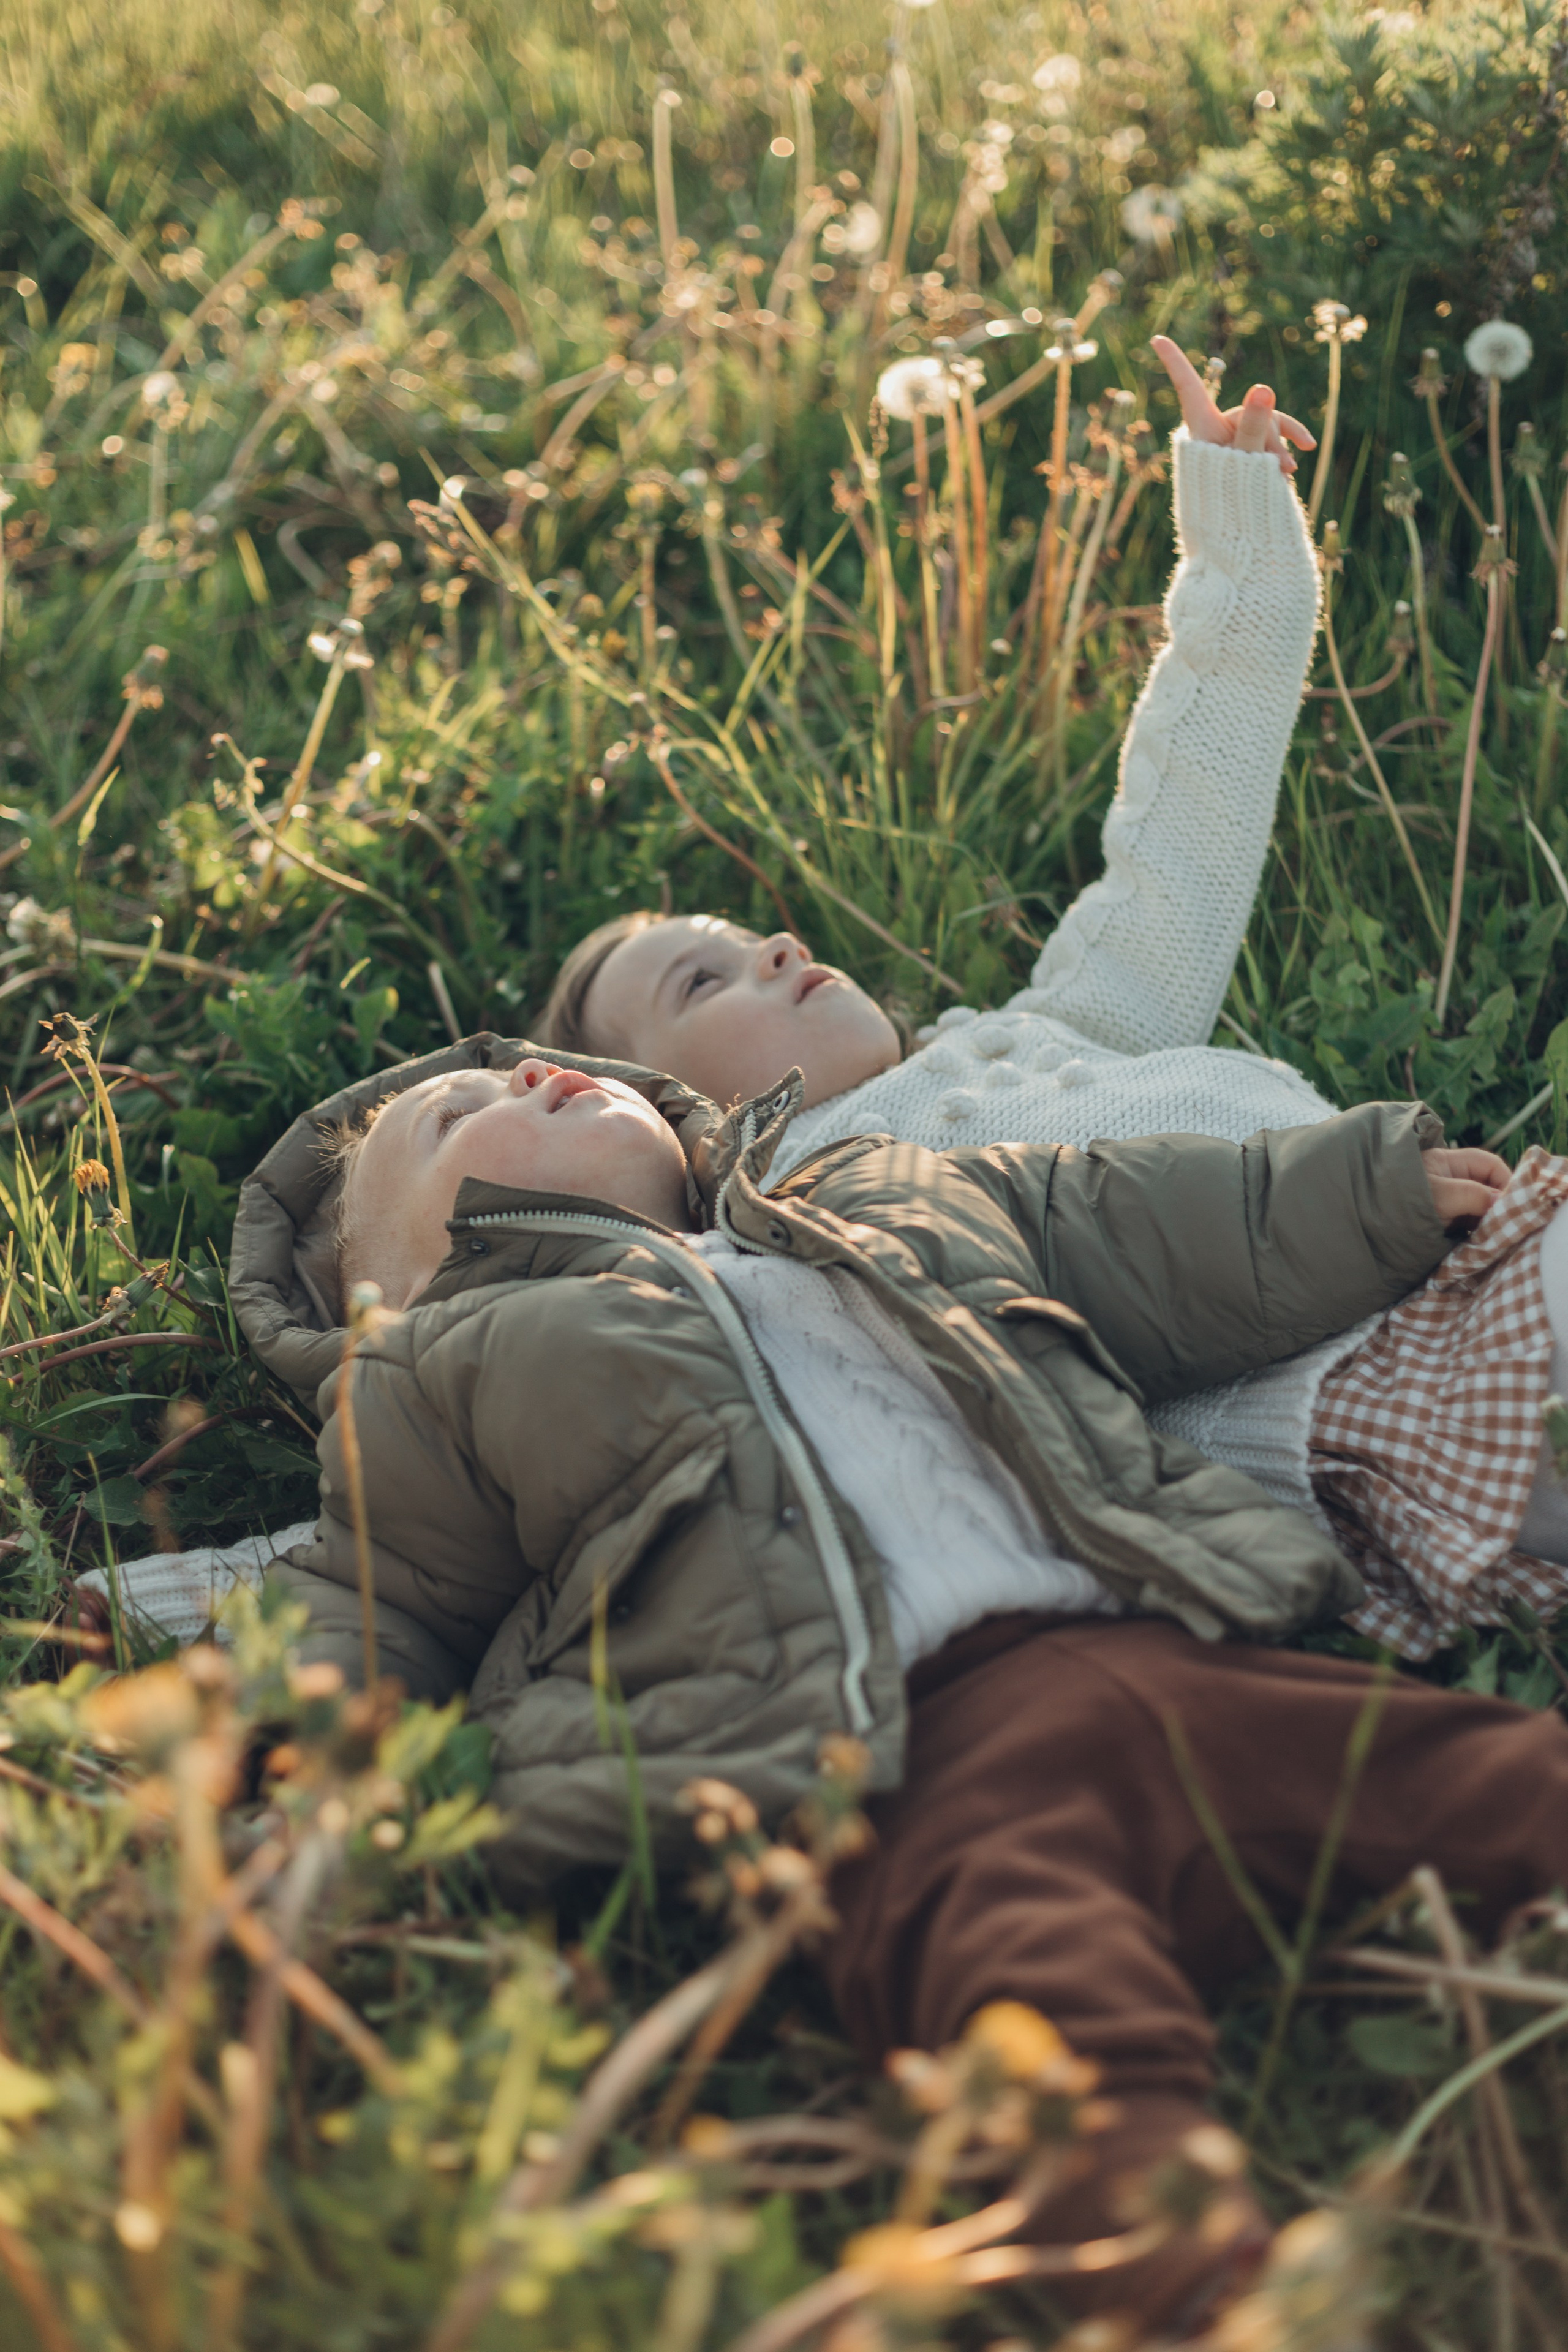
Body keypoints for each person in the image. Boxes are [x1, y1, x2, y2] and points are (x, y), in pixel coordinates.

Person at [229, 1039, 1568, 2332]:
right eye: (451, 1117)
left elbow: (1124, 1226)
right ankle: (1184, 2281)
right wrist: (296, 1773)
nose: (526, 1069)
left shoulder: (867, 1193)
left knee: (1484, 1775)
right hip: (897, 1775)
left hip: (1162, 1642)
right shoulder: (438, 1380)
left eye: (513, 1063)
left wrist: (1361, 1194)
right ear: (392, 1291)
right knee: (1033, 2003)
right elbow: (387, 1593)